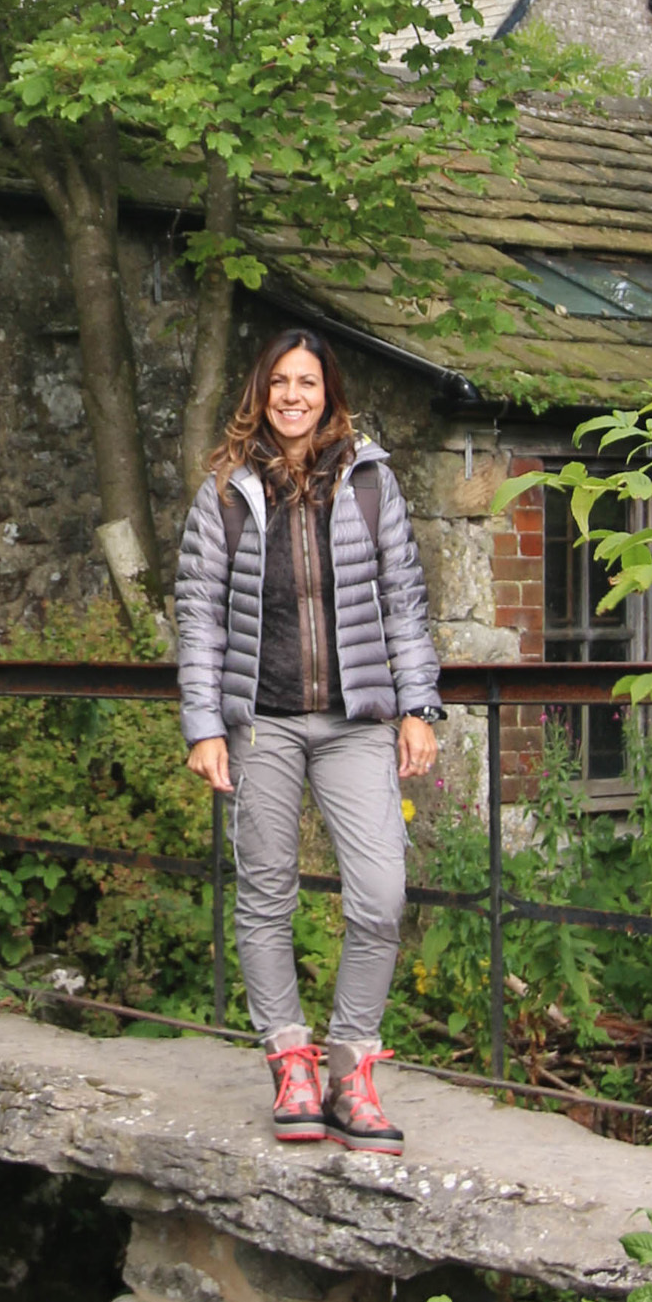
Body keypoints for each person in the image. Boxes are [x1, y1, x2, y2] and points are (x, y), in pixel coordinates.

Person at [174, 328, 444, 1156]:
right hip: (260, 722)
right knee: (265, 895)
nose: (294, 396)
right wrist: (204, 726)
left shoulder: (370, 481)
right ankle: (291, 1063)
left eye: (309, 383)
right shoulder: (225, 488)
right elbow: (198, 613)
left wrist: (417, 705)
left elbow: (403, 597)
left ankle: (351, 1069)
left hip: (355, 723)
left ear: (329, 393)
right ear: (261, 391)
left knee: (379, 893)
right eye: (280, 383)